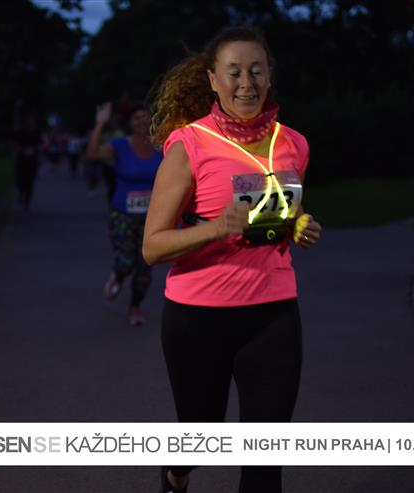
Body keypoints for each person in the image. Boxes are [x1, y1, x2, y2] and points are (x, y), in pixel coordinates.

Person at [143, 26, 322, 493]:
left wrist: (299, 224)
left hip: (273, 314)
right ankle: (176, 474)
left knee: (265, 457)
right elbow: (152, 247)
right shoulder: (189, 144)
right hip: (198, 317)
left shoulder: (293, 143)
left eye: (256, 71)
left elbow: (284, 209)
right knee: (200, 436)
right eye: (235, 72)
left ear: (270, 76)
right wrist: (217, 227)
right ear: (213, 79)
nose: (247, 83)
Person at [87, 102, 163, 326]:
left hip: (152, 218)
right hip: (122, 214)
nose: (142, 121)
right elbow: (92, 154)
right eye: (136, 118)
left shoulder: (161, 147)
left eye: (145, 117)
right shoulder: (119, 146)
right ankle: (118, 275)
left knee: (144, 268)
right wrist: (99, 124)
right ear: (129, 123)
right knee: (125, 261)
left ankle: (135, 307)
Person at [12, 118, 41, 211]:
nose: (30, 124)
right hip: (21, 158)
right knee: (20, 178)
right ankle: (21, 193)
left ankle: (26, 201)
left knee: (30, 181)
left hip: (32, 159)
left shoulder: (36, 132)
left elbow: (39, 145)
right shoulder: (20, 132)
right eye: (28, 122)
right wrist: (20, 150)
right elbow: (15, 143)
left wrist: (34, 152)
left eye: (31, 122)